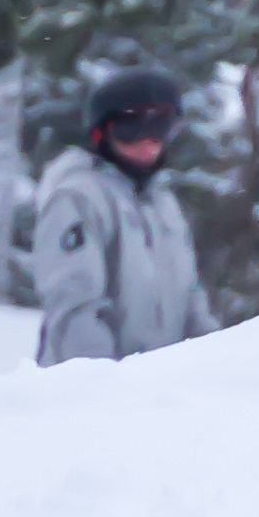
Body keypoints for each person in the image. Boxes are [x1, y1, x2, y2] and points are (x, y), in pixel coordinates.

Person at [26, 65, 213, 366]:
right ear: (101, 132)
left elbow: (192, 303)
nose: (147, 141)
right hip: (91, 396)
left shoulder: (164, 205)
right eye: (131, 128)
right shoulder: (77, 198)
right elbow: (74, 308)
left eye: (159, 127)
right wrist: (107, 390)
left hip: (162, 395)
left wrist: (214, 366)